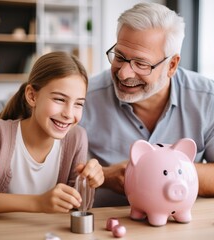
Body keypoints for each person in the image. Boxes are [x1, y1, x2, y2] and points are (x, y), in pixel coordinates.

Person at [80, 2, 214, 207]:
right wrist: (105, 176)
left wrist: (158, 170)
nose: (124, 74)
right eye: (119, 56)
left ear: (171, 65)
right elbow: (54, 174)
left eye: (141, 64)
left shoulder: (207, 98)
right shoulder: (83, 98)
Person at [0, 51, 104, 217]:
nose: (69, 114)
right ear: (32, 96)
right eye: (59, 99)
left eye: (79, 104)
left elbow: (80, 209)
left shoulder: (76, 137)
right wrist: (38, 202)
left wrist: (87, 183)